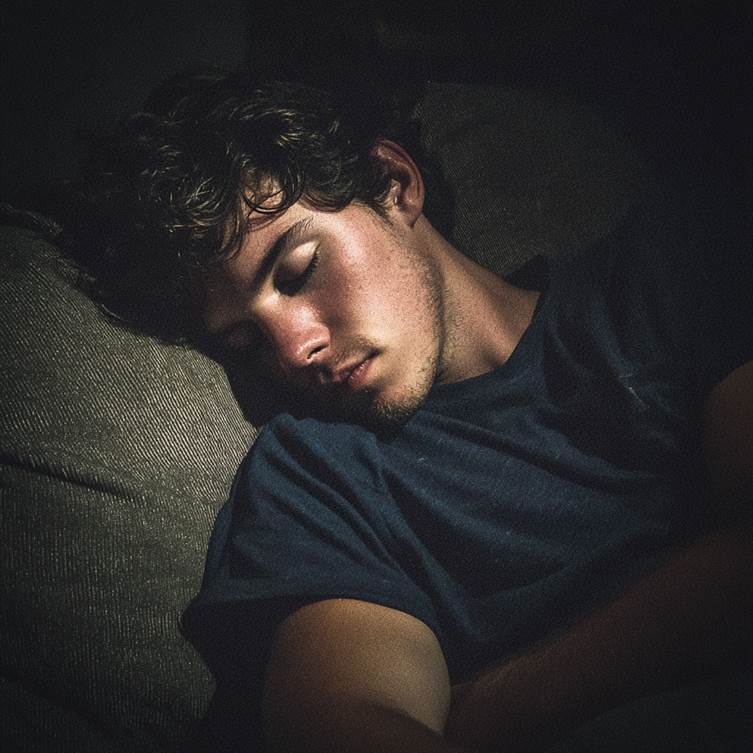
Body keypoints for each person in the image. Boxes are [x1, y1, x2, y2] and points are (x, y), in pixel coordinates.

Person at [67, 68, 752, 752]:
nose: (293, 350)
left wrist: (486, 707)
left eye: (300, 270)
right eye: (247, 342)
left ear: (393, 184)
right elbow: (346, 723)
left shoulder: (675, 262)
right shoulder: (313, 477)